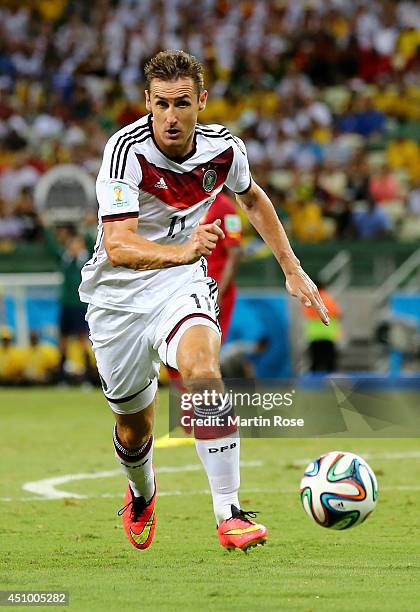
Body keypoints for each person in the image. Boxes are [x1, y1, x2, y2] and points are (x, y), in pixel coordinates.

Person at [79, 50, 329, 553]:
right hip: (117, 299)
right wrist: (184, 249)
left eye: (183, 103)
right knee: (133, 428)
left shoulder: (224, 150)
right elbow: (118, 246)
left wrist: (293, 269)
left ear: (202, 102)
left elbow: (253, 198)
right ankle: (142, 492)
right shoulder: (124, 152)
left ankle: (229, 512)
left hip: (180, 284)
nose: (172, 116)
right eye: (162, 104)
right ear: (148, 102)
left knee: (202, 370)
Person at [202, 189, 242, 342]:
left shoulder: (227, 208)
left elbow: (236, 251)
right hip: (186, 286)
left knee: (205, 350)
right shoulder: (189, 201)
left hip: (213, 289)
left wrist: (219, 292)